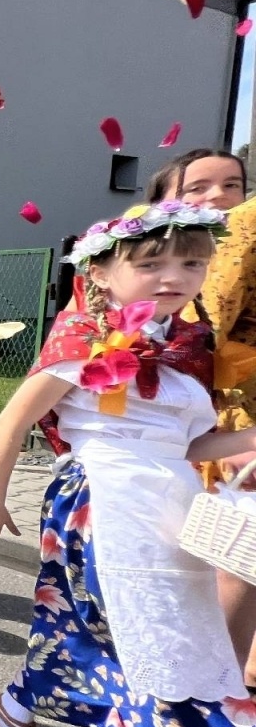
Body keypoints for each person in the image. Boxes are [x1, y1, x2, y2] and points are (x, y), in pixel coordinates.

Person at [0, 202, 256, 727]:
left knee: (99, 641)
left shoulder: (190, 347)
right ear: (102, 270)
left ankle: (13, 709)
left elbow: (188, 445)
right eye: (150, 262)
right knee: (162, 654)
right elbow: (15, 416)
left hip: (167, 513)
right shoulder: (81, 336)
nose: (172, 277)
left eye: (190, 262)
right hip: (99, 509)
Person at [147, 151, 256, 684]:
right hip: (195, 425)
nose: (218, 197)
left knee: (238, 557)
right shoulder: (145, 283)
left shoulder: (239, 244)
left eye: (232, 185)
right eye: (198, 188)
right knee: (220, 557)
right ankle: (215, 687)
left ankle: (225, 684)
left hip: (235, 420)